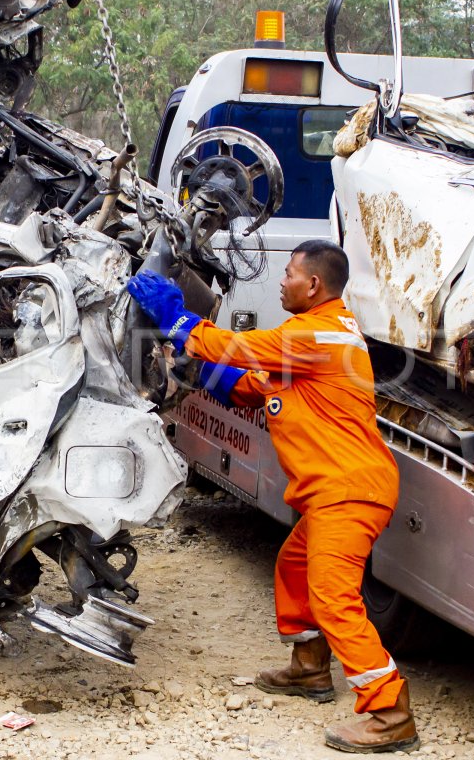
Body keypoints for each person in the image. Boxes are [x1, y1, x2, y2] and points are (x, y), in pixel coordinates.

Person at [127, 240, 418, 754]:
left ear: (314, 286)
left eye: (287, 275)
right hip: (340, 489)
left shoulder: (316, 335)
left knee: (333, 595)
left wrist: (176, 316)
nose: (280, 282)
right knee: (294, 566)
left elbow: (235, 349)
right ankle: (309, 669)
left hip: (348, 491)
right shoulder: (316, 340)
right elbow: (251, 384)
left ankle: (389, 711)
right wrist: (200, 372)